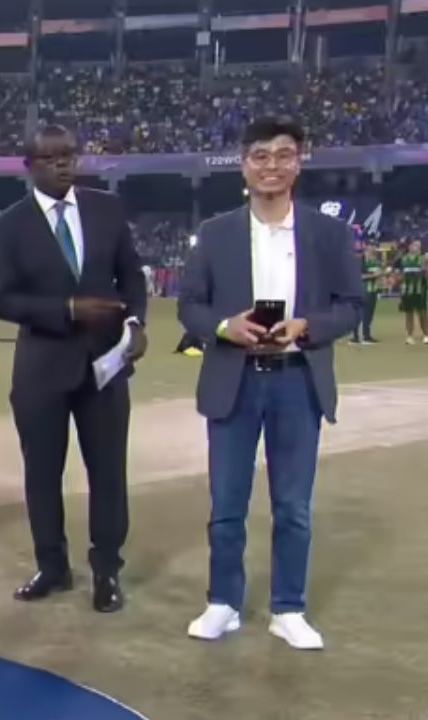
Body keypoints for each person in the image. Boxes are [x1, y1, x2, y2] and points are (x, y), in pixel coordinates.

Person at [178, 117, 362, 650]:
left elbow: (352, 305)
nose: (272, 166)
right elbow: (190, 305)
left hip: (297, 381)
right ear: (244, 165)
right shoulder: (216, 233)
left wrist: (307, 326)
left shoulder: (327, 234)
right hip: (234, 381)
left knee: (293, 507)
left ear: (299, 162)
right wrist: (224, 327)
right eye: (260, 156)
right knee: (227, 505)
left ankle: (288, 608)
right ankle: (223, 602)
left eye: (284, 155)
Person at [0, 124, 147, 614]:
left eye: (69, 156)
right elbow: (1, 299)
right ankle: (52, 567)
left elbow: (132, 276)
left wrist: (135, 323)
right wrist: (68, 309)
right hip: (42, 369)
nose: (63, 165)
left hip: (105, 365)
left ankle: (106, 571)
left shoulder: (106, 209)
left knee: (108, 473)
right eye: (51, 158)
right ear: (28, 166)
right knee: (42, 474)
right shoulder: (8, 225)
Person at [350, 243, 383, 344]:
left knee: (369, 314)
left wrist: (382, 277)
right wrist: (373, 275)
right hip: (363, 290)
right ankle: (358, 336)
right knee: (361, 314)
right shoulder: (361, 260)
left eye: (375, 246)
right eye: (371, 246)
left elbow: (379, 276)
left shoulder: (377, 261)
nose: (373, 248)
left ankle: (366, 335)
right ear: (367, 247)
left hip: (373, 290)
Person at [397, 239, 426, 344]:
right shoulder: (403, 259)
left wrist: (425, 268)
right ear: (409, 247)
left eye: (419, 246)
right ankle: (409, 336)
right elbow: (399, 275)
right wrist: (400, 285)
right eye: (415, 245)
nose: (417, 248)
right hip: (407, 291)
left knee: (422, 313)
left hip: (420, 290)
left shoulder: (423, 259)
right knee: (409, 314)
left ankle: (426, 335)